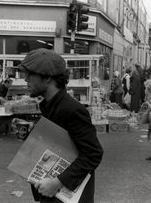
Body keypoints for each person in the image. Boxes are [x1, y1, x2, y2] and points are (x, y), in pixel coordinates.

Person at [17, 48, 103, 203]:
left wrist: (57, 182)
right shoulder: (50, 106)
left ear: (47, 77)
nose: (26, 80)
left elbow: (93, 154)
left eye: (30, 75)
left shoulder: (73, 110)